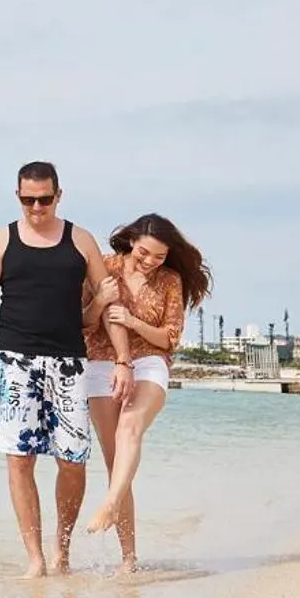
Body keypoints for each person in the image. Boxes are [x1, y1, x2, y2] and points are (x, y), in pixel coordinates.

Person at [0, 162, 125, 577]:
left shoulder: (80, 240)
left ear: (59, 195)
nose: (37, 207)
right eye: (28, 199)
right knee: (19, 460)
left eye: (44, 199)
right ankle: (35, 559)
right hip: (15, 361)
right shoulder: (1, 241)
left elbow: (108, 308)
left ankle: (62, 551)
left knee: (73, 461)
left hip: (69, 362)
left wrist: (123, 361)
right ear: (18, 196)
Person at [82, 213, 213, 561]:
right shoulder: (104, 267)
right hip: (100, 363)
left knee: (131, 427)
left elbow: (169, 339)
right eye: (144, 253)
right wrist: (98, 302)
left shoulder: (170, 280)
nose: (150, 262)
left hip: (150, 362)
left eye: (159, 256)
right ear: (131, 241)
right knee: (117, 466)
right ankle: (129, 560)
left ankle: (110, 505)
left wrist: (133, 321)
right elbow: (84, 325)